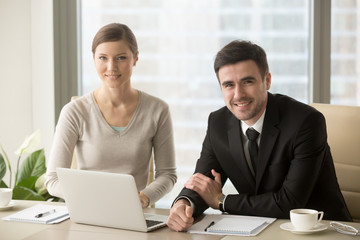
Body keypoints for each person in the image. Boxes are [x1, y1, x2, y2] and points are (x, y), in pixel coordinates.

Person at [166, 40, 352, 231]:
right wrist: (183, 204)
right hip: (257, 229)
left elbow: (290, 202)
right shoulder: (218, 123)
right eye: (229, 85)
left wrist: (222, 201)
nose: (238, 94)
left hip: (319, 230)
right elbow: (202, 181)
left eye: (247, 81)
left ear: (267, 80)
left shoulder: (306, 122)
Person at [45, 23, 177, 208]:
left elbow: (168, 175)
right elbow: (52, 180)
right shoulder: (74, 111)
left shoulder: (158, 110)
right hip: (87, 212)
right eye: (103, 58)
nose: (111, 67)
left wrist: (144, 198)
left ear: (135, 58)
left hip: (136, 213)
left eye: (121, 58)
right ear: (94, 60)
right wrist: (90, 197)